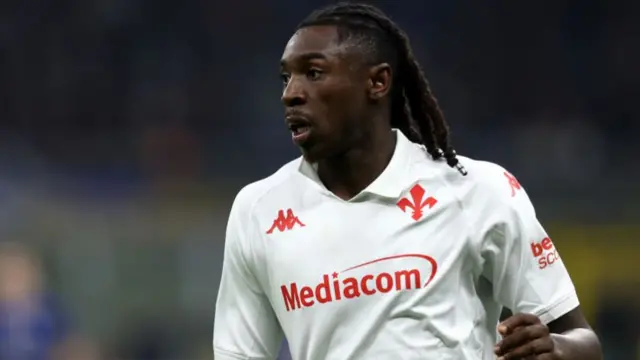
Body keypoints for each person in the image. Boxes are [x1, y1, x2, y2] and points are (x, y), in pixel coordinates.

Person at [213, 3, 602, 359]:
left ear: (377, 83)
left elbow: (583, 341)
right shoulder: (258, 210)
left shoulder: (478, 190)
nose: (291, 94)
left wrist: (555, 349)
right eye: (286, 78)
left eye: (313, 73)